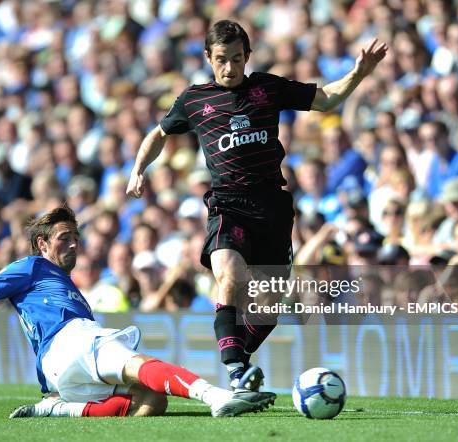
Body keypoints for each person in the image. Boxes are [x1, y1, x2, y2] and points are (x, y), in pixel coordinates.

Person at [126, 20, 387, 390]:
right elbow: (159, 133)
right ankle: (234, 368)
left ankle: (239, 366)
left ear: (247, 56)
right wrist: (138, 169)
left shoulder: (267, 88)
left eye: (236, 59)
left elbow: (326, 99)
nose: (230, 68)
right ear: (207, 58)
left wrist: (359, 73)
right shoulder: (194, 100)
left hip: (272, 207)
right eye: (221, 60)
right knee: (229, 276)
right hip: (227, 205)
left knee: (267, 307)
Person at [0, 204, 275, 418]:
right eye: (63, 238)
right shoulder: (33, 266)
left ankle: (56, 408)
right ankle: (216, 397)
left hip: (61, 376)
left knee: (152, 401)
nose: (73, 244)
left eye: (76, 238)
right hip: (70, 341)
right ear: (42, 243)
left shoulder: (68, 287)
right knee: (139, 364)